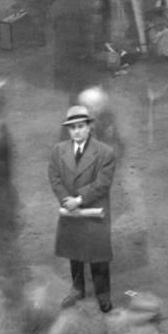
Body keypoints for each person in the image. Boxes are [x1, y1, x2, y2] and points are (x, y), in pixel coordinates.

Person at [49, 106, 117, 313]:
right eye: (72, 128)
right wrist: (65, 199)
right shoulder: (58, 151)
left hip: (94, 210)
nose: (76, 132)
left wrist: (78, 200)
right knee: (74, 253)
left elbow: (103, 183)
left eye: (81, 127)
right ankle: (78, 289)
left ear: (89, 127)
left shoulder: (105, 153)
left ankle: (103, 294)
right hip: (70, 209)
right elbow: (54, 178)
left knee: (98, 257)